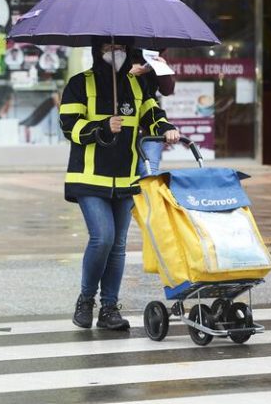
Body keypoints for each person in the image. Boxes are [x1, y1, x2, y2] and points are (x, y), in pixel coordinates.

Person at [59, 43, 180, 330]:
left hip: (125, 177)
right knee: (103, 237)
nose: (116, 52)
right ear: (97, 49)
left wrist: (166, 130)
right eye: (109, 47)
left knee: (118, 246)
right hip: (89, 177)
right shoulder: (80, 83)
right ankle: (86, 300)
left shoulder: (137, 85)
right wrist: (100, 127)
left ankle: (109, 308)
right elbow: (68, 125)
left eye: (120, 47)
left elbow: (153, 116)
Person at [129, 49, 175, 177]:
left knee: (148, 172)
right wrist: (126, 72)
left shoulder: (156, 52)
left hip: (150, 120)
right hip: (124, 120)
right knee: (126, 176)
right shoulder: (119, 50)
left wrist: (162, 68)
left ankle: (145, 197)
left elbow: (167, 90)